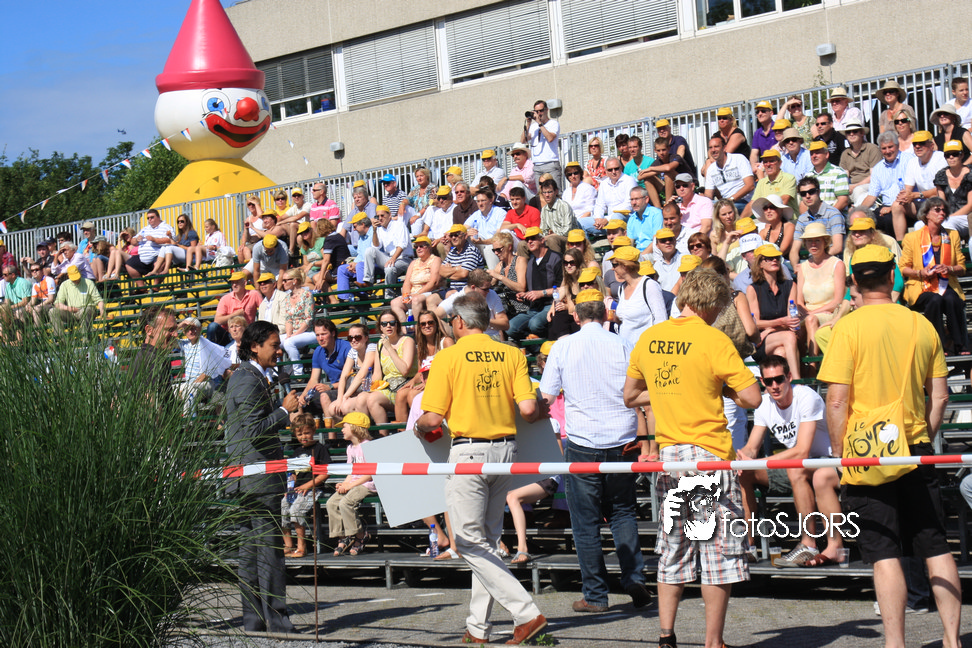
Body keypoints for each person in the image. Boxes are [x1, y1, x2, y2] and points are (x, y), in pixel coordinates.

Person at [818, 244, 961, 648]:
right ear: (891, 276)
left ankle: (895, 643)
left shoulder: (847, 328)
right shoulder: (921, 324)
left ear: (854, 281)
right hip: (914, 446)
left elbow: (836, 401)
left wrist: (840, 453)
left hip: (865, 452)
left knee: (883, 553)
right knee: (935, 546)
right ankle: (952, 640)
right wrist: (922, 437)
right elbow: (940, 396)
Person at [623, 268, 761, 648]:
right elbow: (753, 398)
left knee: (674, 548)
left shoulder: (650, 338)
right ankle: (713, 642)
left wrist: (671, 391)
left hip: (670, 455)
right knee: (717, 552)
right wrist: (721, 390)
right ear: (713, 303)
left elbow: (630, 396)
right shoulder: (714, 339)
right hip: (708, 453)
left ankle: (666, 636)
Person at [416, 292, 548, 646]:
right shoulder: (511, 353)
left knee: (468, 542)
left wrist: (418, 427)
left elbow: (432, 418)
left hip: (469, 454)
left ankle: (526, 612)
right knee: (485, 542)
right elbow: (529, 410)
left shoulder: (447, 357)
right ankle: (478, 628)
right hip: (505, 451)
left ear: (459, 322)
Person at [539, 289, 652, 614]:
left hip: (583, 442)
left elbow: (546, 397)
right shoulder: (624, 344)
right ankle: (634, 578)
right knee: (623, 512)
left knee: (585, 521)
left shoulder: (563, 346)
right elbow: (641, 391)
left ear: (576, 316)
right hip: (622, 438)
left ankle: (595, 595)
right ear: (604, 314)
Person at [223, 320, 300, 634]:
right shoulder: (247, 378)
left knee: (252, 553)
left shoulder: (250, 376)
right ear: (254, 347)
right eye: (274, 345)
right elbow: (254, 429)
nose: (278, 350)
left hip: (250, 479)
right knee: (267, 552)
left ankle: (255, 621)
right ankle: (277, 621)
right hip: (256, 479)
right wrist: (283, 411)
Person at [737, 356, 843, 567]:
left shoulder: (807, 397)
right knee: (744, 473)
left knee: (796, 468)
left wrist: (761, 461)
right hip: (798, 465)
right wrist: (743, 457)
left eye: (779, 379)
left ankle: (808, 544)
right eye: (769, 381)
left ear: (789, 377)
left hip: (829, 461)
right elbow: (752, 446)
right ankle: (748, 547)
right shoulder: (764, 405)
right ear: (762, 382)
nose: (774, 386)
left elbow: (802, 451)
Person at [900, 198, 968, 355]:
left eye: (944, 210)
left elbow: (962, 267)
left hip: (946, 284)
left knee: (952, 299)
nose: (942, 213)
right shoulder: (912, 238)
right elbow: (903, 268)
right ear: (926, 214)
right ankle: (938, 345)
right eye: (937, 210)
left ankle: (959, 344)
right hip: (922, 287)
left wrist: (949, 268)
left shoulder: (952, 235)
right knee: (935, 300)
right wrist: (920, 272)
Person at [747, 245, 801, 379]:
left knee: (781, 353)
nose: (774, 260)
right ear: (760, 263)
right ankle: (797, 381)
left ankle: (778, 386)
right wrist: (781, 321)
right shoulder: (753, 289)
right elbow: (755, 323)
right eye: (769, 258)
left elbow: (792, 321)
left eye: (776, 257)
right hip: (762, 341)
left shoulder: (790, 285)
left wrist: (770, 329)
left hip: (779, 337)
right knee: (789, 337)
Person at [280, 413, 330, 559]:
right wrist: (289, 488)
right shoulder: (297, 452)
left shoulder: (320, 449)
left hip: (313, 488)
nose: (304, 437)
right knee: (283, 506)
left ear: (313, 431)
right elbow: (293, 474)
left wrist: (308, 485)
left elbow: (325, 473)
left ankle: (302, 546)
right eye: (300, 434)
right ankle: (288, 544)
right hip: (297, 489)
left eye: (307, 433)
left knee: (296, 510)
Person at [327, 411, 377, 557]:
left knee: (345, 503)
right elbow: (351, 471)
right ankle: (343, 536)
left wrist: (350, 486)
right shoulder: (350, 448)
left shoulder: (368, 446)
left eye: (345, 426)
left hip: (367, 484)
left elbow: (370, 474)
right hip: (355, 483)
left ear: (355, 427)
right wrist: (344, 484)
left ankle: (360, 536)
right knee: (331, 503)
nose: (342, 430)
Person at [357, 312, 416, 427]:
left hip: (405, 385)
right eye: (384, 324)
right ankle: (368, 434)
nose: (388, 326)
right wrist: (370, 384)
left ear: (397, 325)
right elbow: (377, 375)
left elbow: (405, 370)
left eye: (392, 323)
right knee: (361, 398)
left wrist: (389, 348)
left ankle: (383, 434)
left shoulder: (407, 341)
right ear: (380, 327)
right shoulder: (380, 344)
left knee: (373, 399)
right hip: (388, 386)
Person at [795, 222, 845, 357]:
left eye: (817, 240)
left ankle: (812, 363)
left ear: (825, 242)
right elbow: (799, 300)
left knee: (811, 320)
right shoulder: (803, 267)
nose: (813, 244)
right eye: (809, 241)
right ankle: (800, 366)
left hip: (830, 313)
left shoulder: (837, 264)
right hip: (807, 313)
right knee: (794, 329)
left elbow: (838, 301)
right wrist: (805, 313)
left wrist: (811, 314)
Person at [507, 227, 561, 342]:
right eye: (527, 240)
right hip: (534, 308)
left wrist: (541, 293)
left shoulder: (556, 258)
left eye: (533, 238)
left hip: (552, 304)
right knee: (510, 327)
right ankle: (534, 344)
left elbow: (562, 288)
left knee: (535, 324)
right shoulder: (531, 262)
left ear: (542, 240)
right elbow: (532, 290)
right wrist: (525, 295)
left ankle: (548, 341)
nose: (530, 241)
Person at [861, 131, 911, 240]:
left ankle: (896, 247)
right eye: (884, 148)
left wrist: (891, 207)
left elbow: (910, 191)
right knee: (867, 219)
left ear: (897, 146)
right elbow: (871, 196)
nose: (887, 151)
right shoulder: (878, 168)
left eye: (890, 147)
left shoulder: (909, 160)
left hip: (905, 206)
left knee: (888, 219)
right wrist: (859, 211)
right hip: (885, 207)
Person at [611, 246, 667, 345]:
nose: (612, 268)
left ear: (625, 266)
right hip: (626, 348)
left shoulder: (649, 286)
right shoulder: (621, 288)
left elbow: (661, 321)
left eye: (615, 265)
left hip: (644, 347)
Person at [175, 316, 231, 414]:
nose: (191, 332)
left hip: (206, 384)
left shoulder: (206, 345)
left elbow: (207, 373)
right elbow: (165, 339)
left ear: (199, 329)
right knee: (168, 390)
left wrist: (190, 385)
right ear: (184, 332)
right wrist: (179, 325)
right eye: (187, 329)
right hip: (191, 384)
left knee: (189, 390)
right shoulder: (185, 344)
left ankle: (190, 421)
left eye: (193, 328)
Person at [790, 175, 846, 268]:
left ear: (819, 192)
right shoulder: (802, 219)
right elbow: (794, 250)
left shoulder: (833, 214)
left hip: (832, 262)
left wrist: (815, 261)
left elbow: (837, 247)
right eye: (803, 194)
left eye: (811, 192)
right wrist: (796, 268)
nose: (807, 196)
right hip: (812, 263)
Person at [329, 323, 378, 421]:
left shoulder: (371, 348)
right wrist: (340, 398)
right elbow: (343, 376)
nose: (353, 340)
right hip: (358, 392)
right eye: (350, 338)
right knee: (332, 409)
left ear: (366, 338)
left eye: (357, 337)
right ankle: (349, 428)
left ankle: (362, 426)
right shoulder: (353, 351)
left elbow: (362, 374)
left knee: (346, 407)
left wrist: (345, 396)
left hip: (371, 390)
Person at [363, 205, 414, 290]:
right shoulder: (380, 229)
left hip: (404, 259)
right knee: (369, 251)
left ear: (389, 215)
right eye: (378, 216)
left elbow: (402, 245)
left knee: (389, 268)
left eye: (382, 215)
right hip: (390, 258)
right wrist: (374, 230)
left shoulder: (399, 225)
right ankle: (368, 282)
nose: (380, 218)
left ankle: (389, 295)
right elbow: (376, 246)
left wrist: (393, 259)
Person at [703, 134, 754, 213]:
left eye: (716, 146)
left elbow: (750, 185)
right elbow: (708, 194)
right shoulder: (711, 169)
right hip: (725, 203)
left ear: (724, 148)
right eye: (711, 147)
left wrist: (731, 199)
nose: (713, 150)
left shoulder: (738, 159)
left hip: (743, 202)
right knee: (704, 207)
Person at [208, 271, 262, 346]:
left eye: (237, 282)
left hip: (246, 333)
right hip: (228, 333)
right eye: (232, 282)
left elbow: (264, 309)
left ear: (245, 283)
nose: (234, 285)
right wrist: (235, 315)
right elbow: (217, 320)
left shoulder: (254, 294)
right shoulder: (225, 298)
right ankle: (209, 349)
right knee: (212, 326)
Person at [740, 149, 797, 218]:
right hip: (769, 220)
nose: (768, 164)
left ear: (780, 163)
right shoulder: (761, 182)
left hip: (788, 220)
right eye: (765, 162)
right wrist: (739, 222)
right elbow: (752, 204)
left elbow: (783, 200)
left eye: (772, 161)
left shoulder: (789, 178)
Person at [279, 268, 315, 376]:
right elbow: (288, 319)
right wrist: (289, 334)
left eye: (285, 280)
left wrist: (294, 335)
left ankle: (298, 373)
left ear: (294, 281)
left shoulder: (307, 295)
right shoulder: (287, 298)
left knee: (289, 342)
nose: (283, 283)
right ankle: (276, 373)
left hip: (307, 331)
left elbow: (308, 319)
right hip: (293, 333)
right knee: (272, 341)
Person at [125, 209, 176, 288]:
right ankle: (142, 287)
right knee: (129, 264)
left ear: (158, 217)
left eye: (152, 217)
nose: (150, 220)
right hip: (143, 256)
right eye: (148, 218)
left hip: (157, 254)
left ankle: (156, 286)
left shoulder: (166, 227)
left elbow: (171, 240)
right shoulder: (145, 229)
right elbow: (132, 241)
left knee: (160, 263)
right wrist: (137, 239)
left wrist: (155, 240)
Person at [587, 157, 637, 235]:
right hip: (607, 220)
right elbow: (600, 205)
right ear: (606, 171)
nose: (613, 172)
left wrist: (607, 219)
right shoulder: (604, 184)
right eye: (610, 170)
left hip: (626, 218)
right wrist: (598, 219)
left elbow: (629, 206)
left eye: (616, 169)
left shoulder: (629, 181)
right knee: (581, 223)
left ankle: (618, 242)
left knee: (616, 217)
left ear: (621, 168)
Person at [49, 265, 105, 333]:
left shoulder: (89, 283)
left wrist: (102, 310)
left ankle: (85, 337)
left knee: (86, 311)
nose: (76, 280)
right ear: (68, 276)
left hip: (87, 310)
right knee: (52, 311)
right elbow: (58, 303)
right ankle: (60, 337)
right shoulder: (64, 285)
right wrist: (68, 308)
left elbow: (98, 300)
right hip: (71, 312)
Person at [839, 119, 882, 206]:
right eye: (848, 132)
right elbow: (844, 176)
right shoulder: (845, 153)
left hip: (870, 186)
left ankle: (858, 212)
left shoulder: (872, 149)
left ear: (862, 133)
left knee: (858, 190)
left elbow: (874, 176)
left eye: (855, 131)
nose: (851, 134)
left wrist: (855, 186)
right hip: (851, 187)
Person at [521, 99, 562, 189]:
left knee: (556, 192)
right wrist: (528, 124)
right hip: (537, 165)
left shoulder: (553, 123)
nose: (539, 113)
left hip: (551, 164)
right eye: (536, 111)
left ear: (547, 110)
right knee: (541, 194)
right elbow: (523, 140)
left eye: (541, 111)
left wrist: (539, 123)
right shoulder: (533, 127)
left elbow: (550, 138)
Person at [934, 140, 972, 228]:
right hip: (947, 216)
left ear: (962, 155)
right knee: (919, 225)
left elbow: (970, 205)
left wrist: (950, 217)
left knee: (947, 224)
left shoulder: (970, 174)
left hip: (967, 217)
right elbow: (941, 202)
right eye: (947, 155)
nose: (951, 157)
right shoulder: (941, 176)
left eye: (955, 154)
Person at [805, 140, 850, 212]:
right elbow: (803, 203)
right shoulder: (808, 176)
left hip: (834, 216)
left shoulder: (839, 173)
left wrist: (827, 215)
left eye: (817, 152)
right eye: (812, 153)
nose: (814, 156)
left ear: (826, 154)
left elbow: (843, 201)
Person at [752, 195, 795, 261]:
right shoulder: (763, 232)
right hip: (768, 263)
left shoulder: (789, 227)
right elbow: (758, 252)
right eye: (765, 208)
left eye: (772, 207)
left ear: (781, 210)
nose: (768, 211)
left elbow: (782, 250)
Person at [626, 186, 664, 252]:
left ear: (646, 199)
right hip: (637, 253)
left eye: (637, 199)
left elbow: (656, 241)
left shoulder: (656, 214)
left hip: (654, 252)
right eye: (632, 199)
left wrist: (642, 255)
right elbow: (630, 243)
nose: (634, 203)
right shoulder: (632, 218)